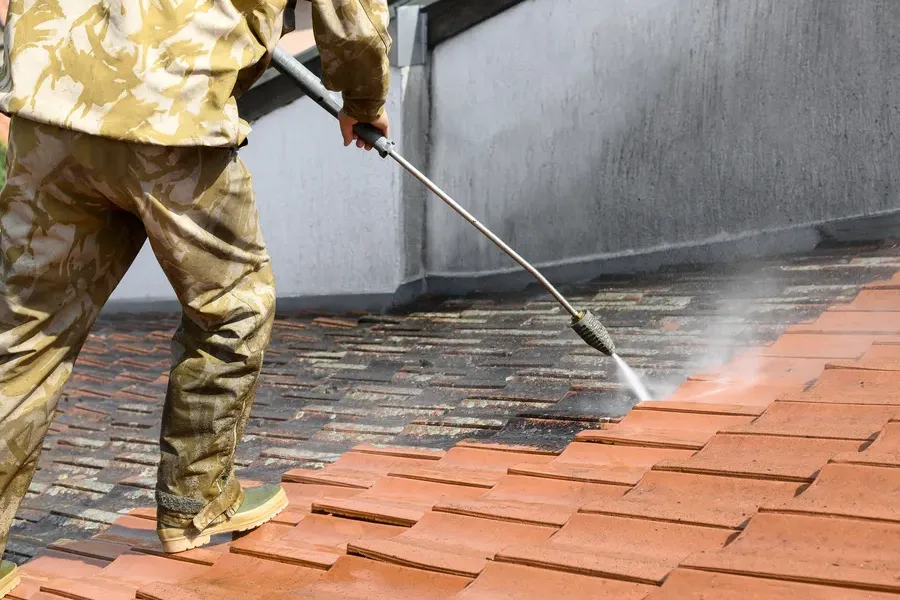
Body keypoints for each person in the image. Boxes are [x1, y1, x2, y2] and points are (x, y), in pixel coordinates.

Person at [0, 0, 391, 594]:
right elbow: (353, 16)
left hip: (51, 98)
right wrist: (363, 101)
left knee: (23, 334)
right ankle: (194, 501)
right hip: (168, 112)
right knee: (234, 306)